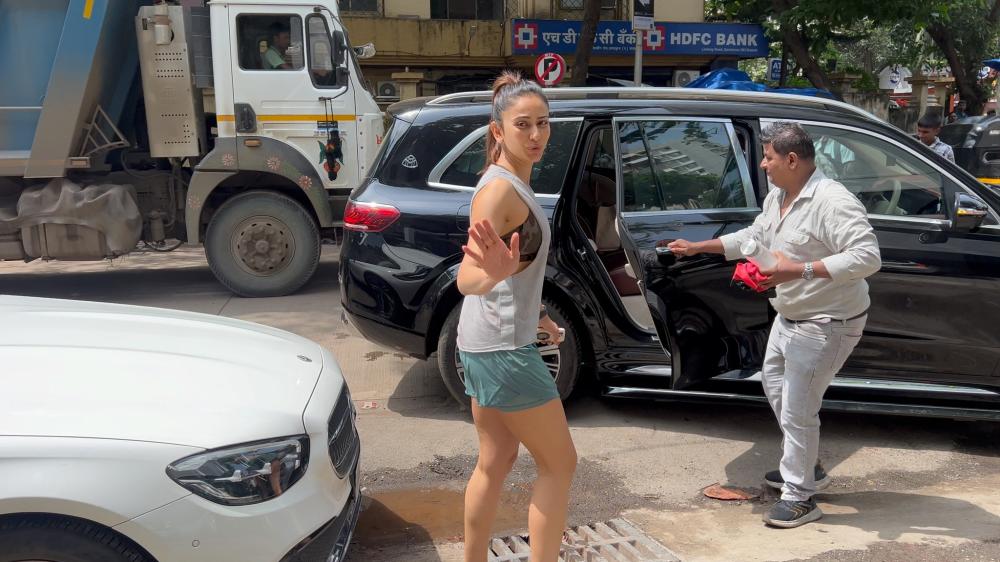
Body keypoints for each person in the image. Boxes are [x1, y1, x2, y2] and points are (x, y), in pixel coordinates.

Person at [667, 122, 881, 528]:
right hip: (790, 315)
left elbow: (867, 257)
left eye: (768, 157)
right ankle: (805, 465)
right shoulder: (779, 197)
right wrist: (701, 246)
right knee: (775, 386)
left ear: (792, 159)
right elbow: (754, 237)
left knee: (800, 408)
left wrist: (798, 271)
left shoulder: (832, 202)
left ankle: (800, 497)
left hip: (827, 321)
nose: (763, 164)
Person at [456, 71, 576, 560]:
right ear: (497, 131)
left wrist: (539, 316)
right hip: (503, 349)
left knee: (496, 460)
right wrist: (493, 273)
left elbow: (516, 270)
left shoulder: (508, 183)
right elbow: (468, 280)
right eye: (522, 124)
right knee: (560, 464)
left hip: (488, 342)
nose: (535, 135)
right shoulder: (499, 192)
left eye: (543, 123)